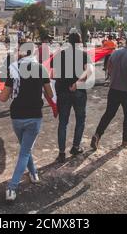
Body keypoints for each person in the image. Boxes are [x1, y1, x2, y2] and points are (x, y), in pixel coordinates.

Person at [0, 43, 54, 201]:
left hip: (17, 116)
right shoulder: (41, 69)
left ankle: (33, 174)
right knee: (25, 151)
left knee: (25, 149)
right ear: (33, 53)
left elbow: (3, 98)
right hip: (34, 116)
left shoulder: (14, 69)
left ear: (21, 53)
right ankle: (12, 188)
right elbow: (50, 93)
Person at [91, 34, 127, 150]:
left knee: (109, 114)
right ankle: (125, 141)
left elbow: (109, 67)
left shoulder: (115, 53)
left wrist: (114, 76)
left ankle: (97, 135)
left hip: (113, 89)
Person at [51, 31, 93, 163]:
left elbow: (53, 74)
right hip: (79, 92)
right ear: (80, 42)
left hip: (63, 91)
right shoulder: (84, 55)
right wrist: (77, 82)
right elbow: (89, 71)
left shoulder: (59, 55)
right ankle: (75, 147)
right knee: (80, 119)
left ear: (68, 41)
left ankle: (61, 153)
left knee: (63, 122)